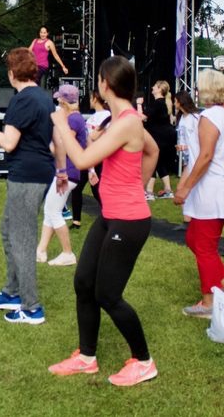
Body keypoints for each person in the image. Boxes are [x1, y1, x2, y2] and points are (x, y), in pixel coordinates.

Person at [48, 55, 160, 387]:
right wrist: (135, 184)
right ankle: (86, 357)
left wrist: (61, 124)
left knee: (108, 294)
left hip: (129, 221)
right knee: (83, 282)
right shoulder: (120, 119)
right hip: (112, 216)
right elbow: (152, 152)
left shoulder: (127, 121)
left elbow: (80, 160)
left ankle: (144, 361)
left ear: (104, 83)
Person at [0, 47, 65, 325]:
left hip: (26, 176)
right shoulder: (46, 98)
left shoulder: (22, 100)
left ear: (12, 73)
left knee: (22, 239)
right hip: (38, 172)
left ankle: (31, 306)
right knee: (8, 230)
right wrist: (60, 170)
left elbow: (9, 143)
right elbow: (57, 140)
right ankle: (12, 291)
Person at [173, 69, 224, 319]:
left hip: (213, 190)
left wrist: (185, 187)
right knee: (195, 239)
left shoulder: (210, 117)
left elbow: (205, 156)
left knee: (203, 245)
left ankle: (209, 301)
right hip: (221, 188)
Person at [36, 84, 87, 266]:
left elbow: (63, 146)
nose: (57, 100)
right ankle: (41, 250)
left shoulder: (73, 120)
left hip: (68, 172)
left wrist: (41, 146)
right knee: (51, 210)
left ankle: (67, 253)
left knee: (52, 211)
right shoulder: (76, 118)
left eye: (59, 98)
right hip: (67, 171)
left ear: (64, 101)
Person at [69, 90, 108, 230]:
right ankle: (76, 221)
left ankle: (110, 215)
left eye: (91, 97)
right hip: (89, 156)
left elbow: (96, 136)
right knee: (77, 188)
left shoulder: (107, 116)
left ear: (95, 99)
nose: (89, 100)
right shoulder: (93, 117)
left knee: (96, 189)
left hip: (99, 158)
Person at [139, 80, 176, 200]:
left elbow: (143, 117)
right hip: (165, 136)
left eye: (155, 86)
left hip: (158, 136)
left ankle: (149, 192)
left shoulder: (157, 103)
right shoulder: (162, 103)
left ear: (160, 89)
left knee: (153, 161)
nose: (152, 88)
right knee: (160, 162)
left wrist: (139, 105)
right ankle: (168, 190)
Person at [172, 91, 200, 232]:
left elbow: (200, 139)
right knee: (186, 188)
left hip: (195, 159)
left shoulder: (195, 118)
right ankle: (189, 219)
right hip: (188, 158)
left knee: (182, 188)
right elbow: (183, 137)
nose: (173, 103)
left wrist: (187, 147)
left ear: (180, 102)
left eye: (175, 101)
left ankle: (189, 220)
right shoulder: (182, 117)